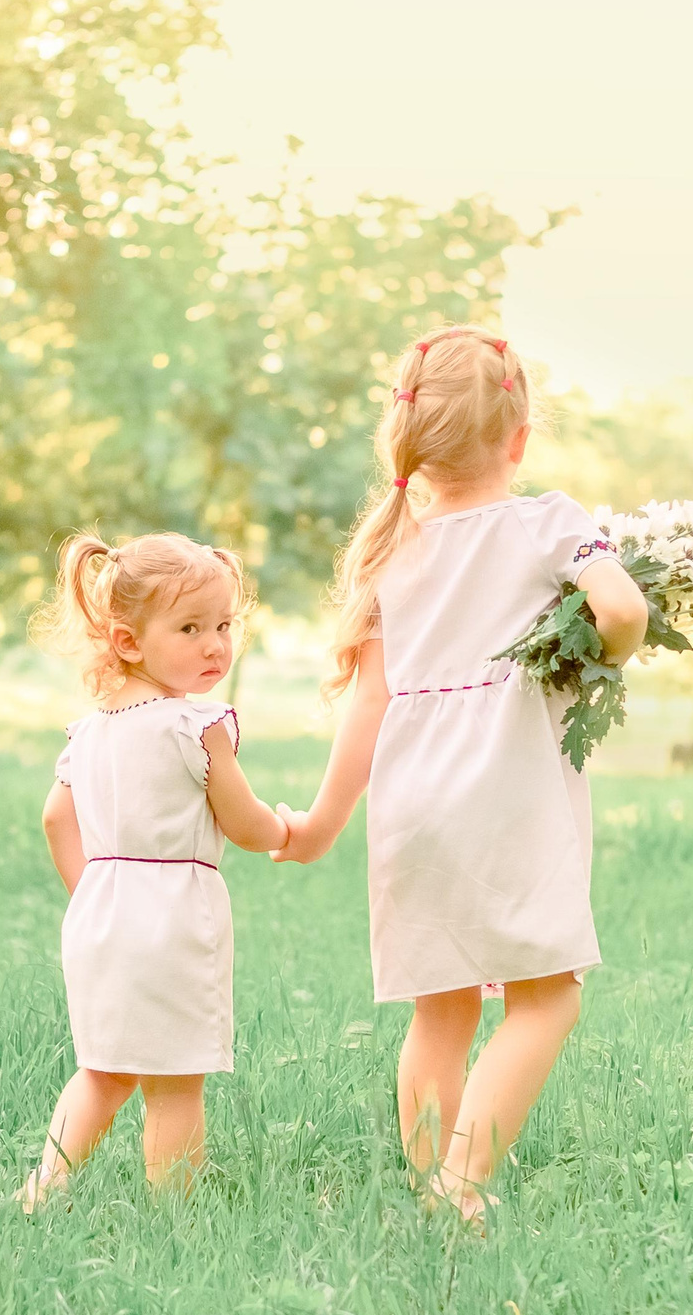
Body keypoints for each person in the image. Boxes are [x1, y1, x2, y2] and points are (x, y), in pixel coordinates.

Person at [277, 325, 647, 1223]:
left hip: (412, 800)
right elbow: (624, 607)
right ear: (518, 437)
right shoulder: (546, 521)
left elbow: (368, 702)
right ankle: (461, 1179)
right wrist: (597, 653)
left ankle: (425, 1188)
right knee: (547, 996)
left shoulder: (386, 552)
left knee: (439, 1009)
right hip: (505, 791)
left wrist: (325, 820)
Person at [21, 531, 288, 1210]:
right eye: (191, 627)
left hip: (100, 916)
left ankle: (43, 1187)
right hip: (171, 918)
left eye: (224, 625)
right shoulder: (196, 726)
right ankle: (175, 1214)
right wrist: (289, 829)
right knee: (175, 1079)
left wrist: (95, 892)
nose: (214, 645)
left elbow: (57, 819)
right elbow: (244, 821)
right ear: (129, 641)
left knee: (103, 1070)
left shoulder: (88, 732)